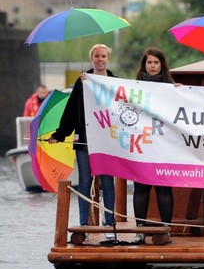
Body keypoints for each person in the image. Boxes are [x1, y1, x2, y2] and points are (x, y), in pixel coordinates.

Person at [49, 44, 117, 241]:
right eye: (96, 56)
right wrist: (60, 134)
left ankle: (110, 224)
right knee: (85, 181)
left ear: (108, 58)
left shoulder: (115, 82)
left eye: (103, 56)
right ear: (91, 58)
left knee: (107, 183)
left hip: (107, 139)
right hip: (84, 137)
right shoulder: (82, 81)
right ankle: (84, 225)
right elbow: (71, 110)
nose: (100, 59)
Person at [131, 47, 176, 245]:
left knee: (163, 188)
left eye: (156, 63)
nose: (152, 66)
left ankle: (166, 229)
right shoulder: (134, 87)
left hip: (163, 143)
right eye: (149, 62)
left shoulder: (171, 87)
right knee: (141, 187)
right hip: (142, 142)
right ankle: (139, 229)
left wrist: (182, 92)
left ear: (161, 65)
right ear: (144, 65)